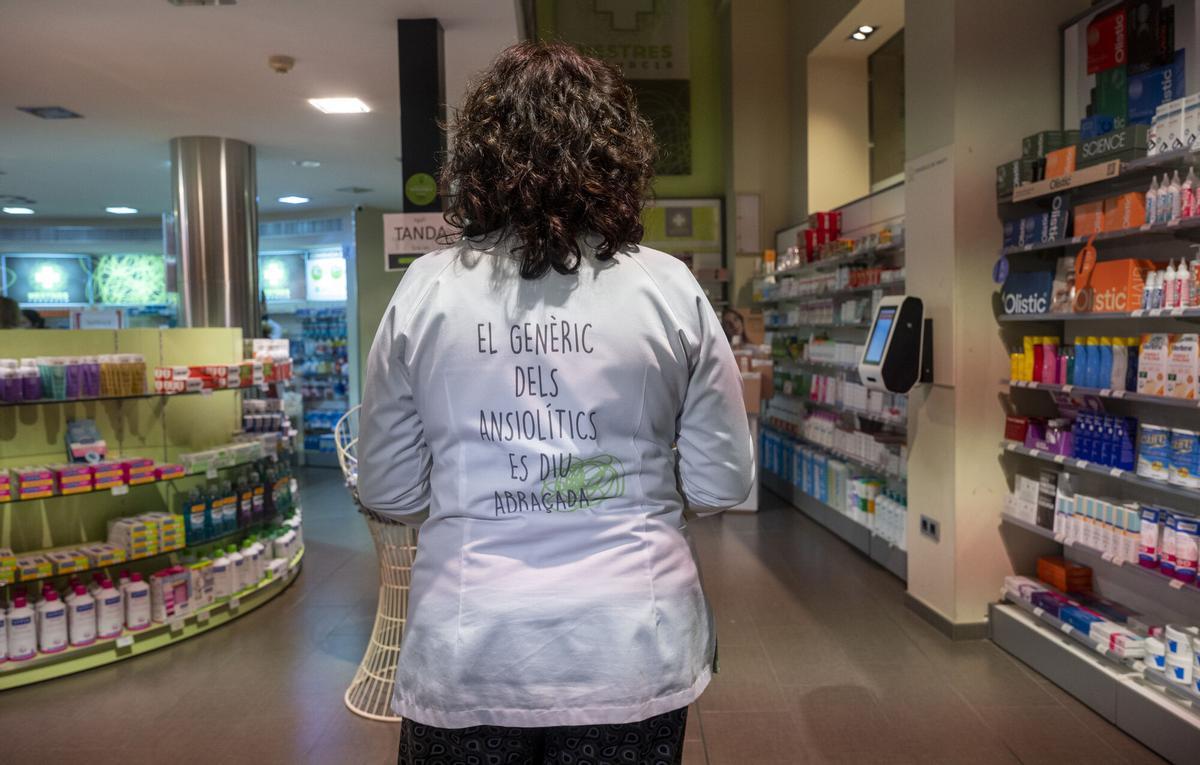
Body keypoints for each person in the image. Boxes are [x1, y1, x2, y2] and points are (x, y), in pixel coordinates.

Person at [357, 41, 754, 765]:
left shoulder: (427, 290)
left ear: (477, 159)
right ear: (619, 157)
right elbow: (722, 483)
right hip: (632, 644)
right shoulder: (669, 289)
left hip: (468, 646)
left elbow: (389, 489)